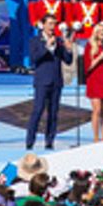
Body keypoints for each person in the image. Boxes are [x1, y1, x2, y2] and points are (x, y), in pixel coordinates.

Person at [27, 16, 72, 150]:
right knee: (38, 110)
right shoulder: (35, 41)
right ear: (43, 25)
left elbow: (68, 61)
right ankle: (30, 140)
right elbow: (34, 59)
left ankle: (49, 140)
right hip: (42, 81)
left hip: (56, 81)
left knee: (53, 113)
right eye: (50, 24)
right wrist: (46, 46)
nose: (52, 27)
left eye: (54, 24)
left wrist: (69, 49)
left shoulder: (59, 41)